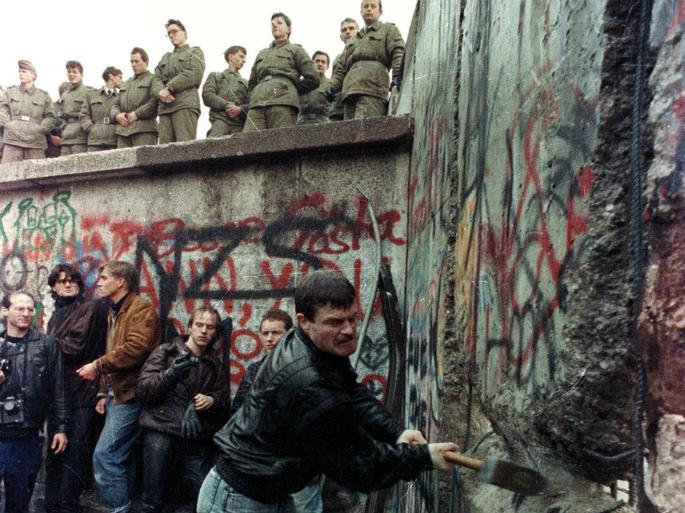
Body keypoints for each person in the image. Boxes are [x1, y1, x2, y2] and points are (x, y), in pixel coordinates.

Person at [198, 270, 458, 513]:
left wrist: (397, 432)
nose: (348, 330)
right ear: (304, 321)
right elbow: (361, 465)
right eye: (334, 322)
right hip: (237, 500)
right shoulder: (308, 383)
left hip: (268, 492)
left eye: (352, 318)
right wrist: (425, 457)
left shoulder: (317, 346)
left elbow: (352, 393)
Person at [76, 261, 161, 513]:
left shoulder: (141, 310)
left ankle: (118, 508)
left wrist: (97, 366)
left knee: (106, 456)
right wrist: (103, 391)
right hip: (118, 394)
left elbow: (135, 349)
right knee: (121, 456)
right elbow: (112, 350)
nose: (98, 282)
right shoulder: (115, 310)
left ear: (121, 281)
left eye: (103, 278)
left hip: (132, 395)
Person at [136, 307, 230, 513]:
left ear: (215, 332)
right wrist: (170, 375)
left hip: (194, 436)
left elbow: (224, 403)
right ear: (189, 327)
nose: (204, 331)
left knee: (202, 493)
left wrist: (211, 401)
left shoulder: (215, 365)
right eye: (199, 325)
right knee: (153, 498)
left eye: (210, 327)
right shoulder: (166, 352)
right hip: (162, 430)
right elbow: (143, 389)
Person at [232, 308, 323, 513]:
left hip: (299, 465)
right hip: (264, 466)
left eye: (276, 333)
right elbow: (237, 414)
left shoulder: (309, 370)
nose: (270, 338)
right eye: (265, 333)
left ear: (290, 335)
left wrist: (315, 463)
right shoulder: (255, 371)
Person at [44, 264, 109, 513]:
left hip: (82, 391)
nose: (68, 284)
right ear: (53, 286)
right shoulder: (55, 314)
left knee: (75, 451)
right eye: (61, 281)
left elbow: (77, 346)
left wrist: (45, 344)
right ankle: (52, 506)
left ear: (80, 284)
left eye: (72, 280)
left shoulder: (88, 308)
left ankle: (68, 506)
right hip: (57, 392)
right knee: (54, 451)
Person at [0, 291, 70, 513]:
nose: (26, 313)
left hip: (26, 437)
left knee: (19, 503)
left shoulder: (47, 345)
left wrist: (61, 428)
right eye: (20, 308)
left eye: (30, 309)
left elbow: (59, 387)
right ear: (5, 311)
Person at [327, 0, 405, 119]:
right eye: (366, 6)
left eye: (373, 6)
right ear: (361, 11)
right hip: (349, 93)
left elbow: (398, 52)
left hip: (373, 90)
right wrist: (331, 85)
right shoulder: (353, 40)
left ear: (380, 12)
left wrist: (397, 75)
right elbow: (341, 69)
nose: (369, 9)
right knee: (349, 134)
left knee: (367, 133)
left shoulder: (388, 30)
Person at [243, 12, 320, 132]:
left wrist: (290, 88)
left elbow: (313, 78)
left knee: (280, 143)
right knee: (248, 144)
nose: (275, 26)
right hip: (257, 105)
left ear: (289, 29)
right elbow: (252, 83)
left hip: (283, 103)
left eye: (279, 23)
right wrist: (256, 95)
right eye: (272, 24)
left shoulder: (296, 50)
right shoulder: (262, 53)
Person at [155, 19, 205, 143]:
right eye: (169, 33)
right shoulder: (165, 57)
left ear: (184, 33)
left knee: (185, 148)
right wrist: (160, 92)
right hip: (165, 107)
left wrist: (169, 88)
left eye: (174, 31)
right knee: (163, 152)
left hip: (185, 104)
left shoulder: (194, 52)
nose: (171, 36)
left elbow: (194, 73)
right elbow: (155, 79)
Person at [0, 60, 57, 163]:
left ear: (33, 75)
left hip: (35, 142)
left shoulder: (43, 96)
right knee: (8, 174)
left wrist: (41, 129)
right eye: (20, 71)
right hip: (13, 140)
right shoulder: (10, 92)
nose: (20, 74)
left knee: (37, 174)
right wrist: (8, 124)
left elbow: (50, 116)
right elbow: (2, 110)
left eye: (24, 71)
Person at [112, 47, 164, 148]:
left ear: (146, 62)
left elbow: (154, 101)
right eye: (131, 62)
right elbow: (115, 104)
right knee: (123, 163)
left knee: (145, 162)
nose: (133, 65)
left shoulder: (153, 79)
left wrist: (137, 114)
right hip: (123, 132)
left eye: (137, 61)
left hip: (144, 130)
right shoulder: (126, 83)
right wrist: (117, 115)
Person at [202, 46, 249, 137]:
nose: (244, 61)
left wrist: (239, 110)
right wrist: (226, 105)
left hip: (239, 125)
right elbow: (207, 95)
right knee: (212, 148)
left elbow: (251, 103)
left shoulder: (247, 83)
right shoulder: (215, 76)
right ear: (230, 57)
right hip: (220, 120)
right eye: (241, 56)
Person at [80, 66, 123, 152]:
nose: (122, 81)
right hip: (95, 140)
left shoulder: (121, 97)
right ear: (111, 76)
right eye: (120, 77)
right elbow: (84, 115)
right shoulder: (91, 95)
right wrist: (91, 128)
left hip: (114, 140)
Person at [56, 61, 91, 155]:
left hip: (80, 138)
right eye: (69, 72)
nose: (71, 74)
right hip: (66, 138)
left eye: (75, 72)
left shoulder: (88, 92)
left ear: (82, 75)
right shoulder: (64, 95)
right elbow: (60, 116)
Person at [329, 18, 359, 121]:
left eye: (351, 28)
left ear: (357, 32)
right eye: (344, 30)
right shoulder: (338, 58)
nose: (348, 31)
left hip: (356, 98)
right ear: (341, 36)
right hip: (339, 106)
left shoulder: (361, 52)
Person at [297, 51, 331, 125]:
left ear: (327, 66)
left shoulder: (331, 84)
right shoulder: (302, 83)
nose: (320, 64)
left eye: (323, 62)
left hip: (323, 123)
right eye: (317, 61)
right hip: (302, 122)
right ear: (312, 64)